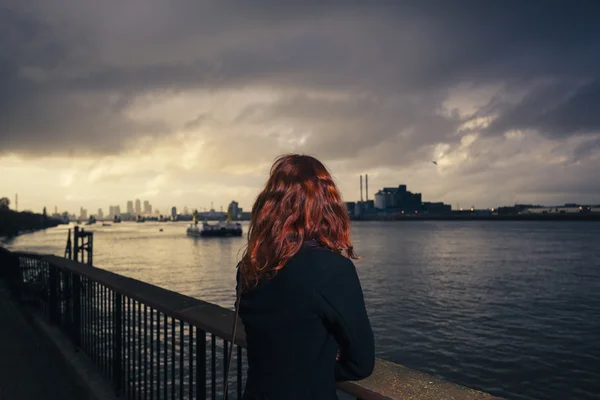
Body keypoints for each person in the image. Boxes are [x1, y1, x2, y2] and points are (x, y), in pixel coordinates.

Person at [237, 154, 375, 399]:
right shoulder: (331, 269)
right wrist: (319, 367)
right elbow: (361, 364)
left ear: (270, 204)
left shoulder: (251, 265)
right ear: (326, 204)